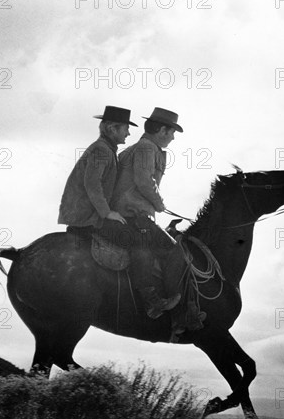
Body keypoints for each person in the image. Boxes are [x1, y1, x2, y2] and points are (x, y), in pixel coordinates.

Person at [58, 105, 181, 320]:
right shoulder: (113, 149)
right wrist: (108, 213)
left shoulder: (111, 150)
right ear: (112, 128)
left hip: (104, 212)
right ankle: (151, 300)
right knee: (143, 242)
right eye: (125, 128)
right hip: (89, 215)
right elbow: (95, 183)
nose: (128, 132)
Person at [112, 107, 203, 331]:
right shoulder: (146, 147)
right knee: (176, 251)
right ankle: (161, 304)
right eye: (172, 132)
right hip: (134, 214)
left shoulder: (140, 148)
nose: (172, 138)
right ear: (162, 130)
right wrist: (159, 203)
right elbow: (144, 181)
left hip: (129, 212)